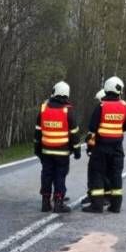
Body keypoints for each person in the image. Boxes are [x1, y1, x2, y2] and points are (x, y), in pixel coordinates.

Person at [83, 76, 126, 214]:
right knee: (116, 175)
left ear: (106, 88)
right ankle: (115, 206)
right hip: (117, 148)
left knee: (97, 174)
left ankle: (97, 206)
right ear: (119, 90)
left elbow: (92, 127)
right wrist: (117, 128)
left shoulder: (101, 106)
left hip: (101, 148)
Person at [34, 80, 82, 214]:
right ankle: (59, 202)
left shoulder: (43, 109)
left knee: (46, 174)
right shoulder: (68, 111)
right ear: (67, 95)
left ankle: (45, 202)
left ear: (54, 92)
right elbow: (74, 134)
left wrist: (37, 148)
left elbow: (38, 131)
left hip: (46, 151)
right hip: (62, 152)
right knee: (60, 175)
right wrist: (77, 150)